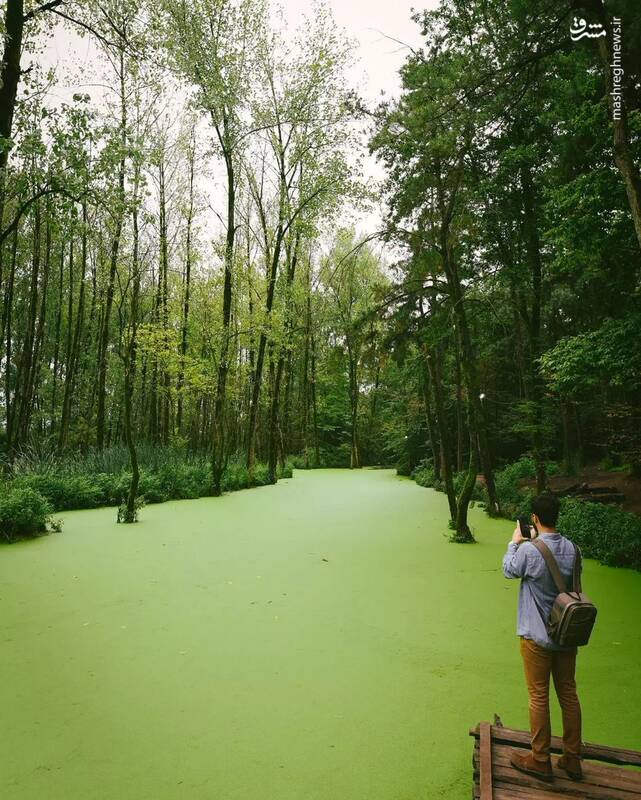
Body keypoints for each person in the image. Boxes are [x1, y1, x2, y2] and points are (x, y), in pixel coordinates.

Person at [502, 492, 583, 783]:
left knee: (538, 696)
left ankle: (539, 759)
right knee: (569, 694)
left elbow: (509, 570)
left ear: (534, 518)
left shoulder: (529, 550)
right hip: (567, 633)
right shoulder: (573, 549)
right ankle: (572, 758)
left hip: (536, 637)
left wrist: (515, 542)